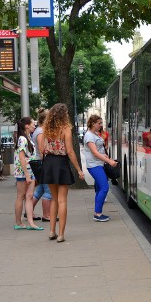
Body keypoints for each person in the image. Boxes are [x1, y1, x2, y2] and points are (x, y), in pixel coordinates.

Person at [39, 103, 85, 242]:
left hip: (49, 163)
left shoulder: (45, 129)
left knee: (54, 198)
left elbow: (41, 150)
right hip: (61, 163)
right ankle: (61, 235)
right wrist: (78, 169)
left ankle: (51, 231)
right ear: (64, 115)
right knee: (62, 200)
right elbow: (70, 151)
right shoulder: (66, 129)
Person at [83, 115, 117, 222]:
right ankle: (98, 213)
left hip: (98, 164)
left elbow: (98, 150)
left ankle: (98, 212)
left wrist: (105, 157)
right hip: (94, 165)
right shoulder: (89, 136)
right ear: (93, 124)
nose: (101, 125)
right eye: (99, 123)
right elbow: (94, 152)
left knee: (99, 188)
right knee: (104, 187)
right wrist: (109, 161)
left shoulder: (94, 134)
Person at [13, 117, 43, 231]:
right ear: (26, 126)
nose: (34, 126)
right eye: (32, 124)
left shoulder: (27, 137)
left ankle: (30, 222)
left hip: (29, 170)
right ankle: (18, 222)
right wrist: (26, 175)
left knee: (29, 196)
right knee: (21, 196)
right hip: (23, 171)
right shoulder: (22, 139)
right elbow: (21, 158)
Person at [30, 108, 52, 222]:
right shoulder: (41, 132)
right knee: (49, 190)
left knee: (40, 189)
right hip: (42, 162)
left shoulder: (39, 130)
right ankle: (46, 215)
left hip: (40, 162)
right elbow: (42, 149)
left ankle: (29, 211)